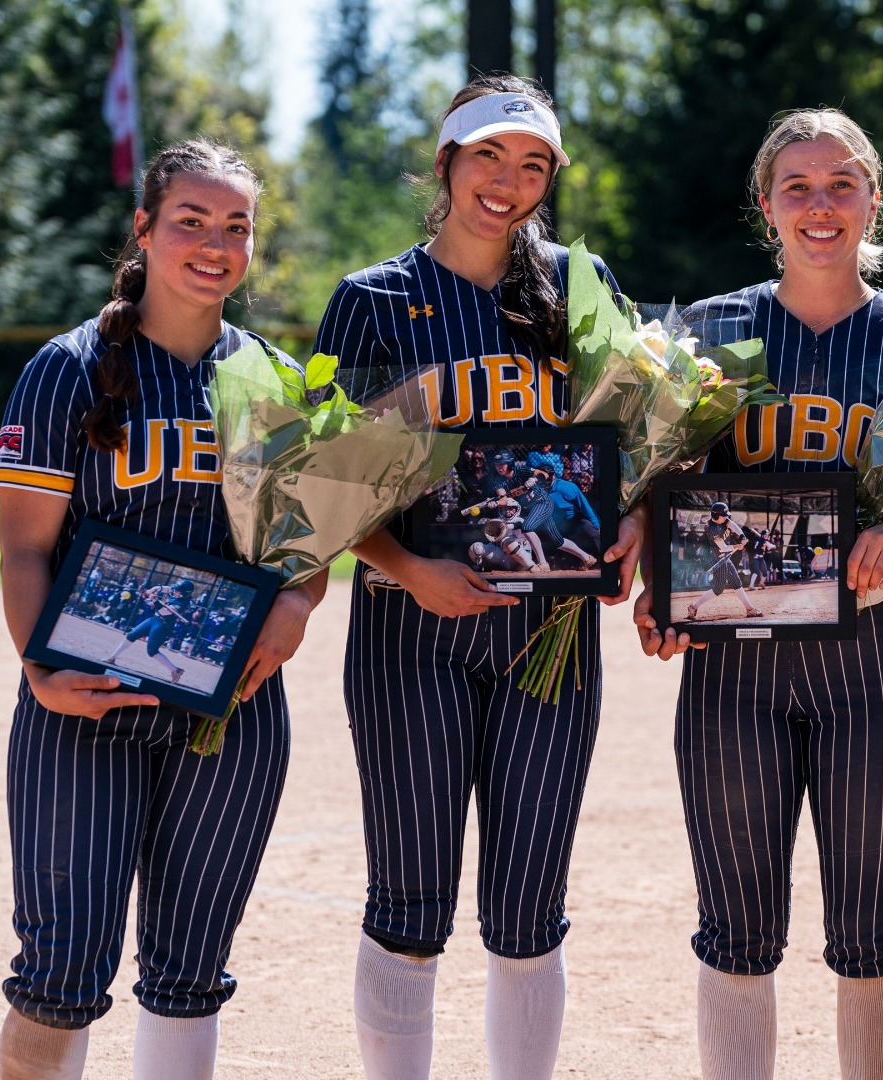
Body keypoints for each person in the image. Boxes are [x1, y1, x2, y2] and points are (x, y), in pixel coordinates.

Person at [634, 107, 883, 1080]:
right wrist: (662, 588)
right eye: (798, 186)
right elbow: (660, 491)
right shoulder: (713, 332)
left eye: (842, 184)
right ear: (766, 204)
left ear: (874, 200)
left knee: (874, 930)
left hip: (872, 665)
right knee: (735, 926)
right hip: (732, 668)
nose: (820, 205)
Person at [312, 74, 638, 1080]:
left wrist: (629, 526)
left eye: (532, 163)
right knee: (410, 903)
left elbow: (639, 449)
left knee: (530, 910)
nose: (508, 181)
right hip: (414, 630)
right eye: (488, 156)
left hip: (549, 637)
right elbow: (321, 487)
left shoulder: (581, 296)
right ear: (447, 161)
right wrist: (409, 567)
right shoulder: (370, 303)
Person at [0, 140, 326, 1080]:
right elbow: (22, 546)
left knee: (189, 974)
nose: (215, 243)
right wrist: (39, 669)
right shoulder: (69, 368)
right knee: (59, 973)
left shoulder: (273, 380)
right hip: (83, 701)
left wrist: (297, 607)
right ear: (143, 229)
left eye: (237, 226)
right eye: (191, 220)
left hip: (232, 710)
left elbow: (302, 553)